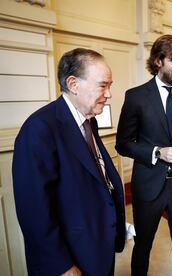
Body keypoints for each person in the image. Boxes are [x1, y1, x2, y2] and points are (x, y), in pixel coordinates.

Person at [12, 48, 126, 276]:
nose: (109, 94)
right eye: (103, 85)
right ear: (73, 84)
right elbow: (34, 209)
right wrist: (60, 265)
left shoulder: (88, 121)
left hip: (96, 245)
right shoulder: (38, 128)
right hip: (70, 257)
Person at [116, 34, 172, 276]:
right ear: (158, 60)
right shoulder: (135, 97)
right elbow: (123, 143)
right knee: (143, 246)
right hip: (148, 185)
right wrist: (157, 152)